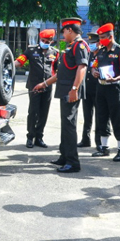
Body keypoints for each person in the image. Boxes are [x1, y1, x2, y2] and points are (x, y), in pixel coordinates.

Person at [33, 17, 89, 173]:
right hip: (65, 90)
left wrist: (74, 89)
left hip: (71, 91)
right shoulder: (70, 46)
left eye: (64, 31)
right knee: (65, 125)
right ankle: (64, 156)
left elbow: (82, 68)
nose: (63, 34)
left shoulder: (80, 46)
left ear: (70, 30)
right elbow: (61, 73)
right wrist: (44, 84)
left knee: (69, 126)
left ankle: (73, 162)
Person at [90, 23, 120, 161]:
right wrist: (94, 72)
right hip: (101, 87)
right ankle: (104, 148)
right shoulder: (101, 52)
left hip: (114, 87)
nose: (100, 40)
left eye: (103, 37)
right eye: (100, 38)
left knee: (116, 117)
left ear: (111, 36)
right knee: (101, 117)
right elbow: (94, 65)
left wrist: (117, 77)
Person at [15, 29, 58, 148]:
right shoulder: (31, 50)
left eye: (48, 41)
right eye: (43, 40)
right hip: (34, 86)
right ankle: (30, 137)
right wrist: (8, 64)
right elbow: (19, 62)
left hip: (47, 86)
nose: (45, 42)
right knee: (33, 112)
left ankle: (39, 137)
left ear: (51, 41)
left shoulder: (55, 52)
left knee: (44, 113)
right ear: (40, 40)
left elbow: (58, 70)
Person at [79, 32, 106, 149]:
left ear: (99, 43)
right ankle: (85, 139)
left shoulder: (103, 55)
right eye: (90, 43)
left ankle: (99, 142)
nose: (91, 45)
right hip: (87, 89)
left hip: (99, 90)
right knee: (87, 116)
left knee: (99, 117)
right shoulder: (88, 54)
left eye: (93, 43)